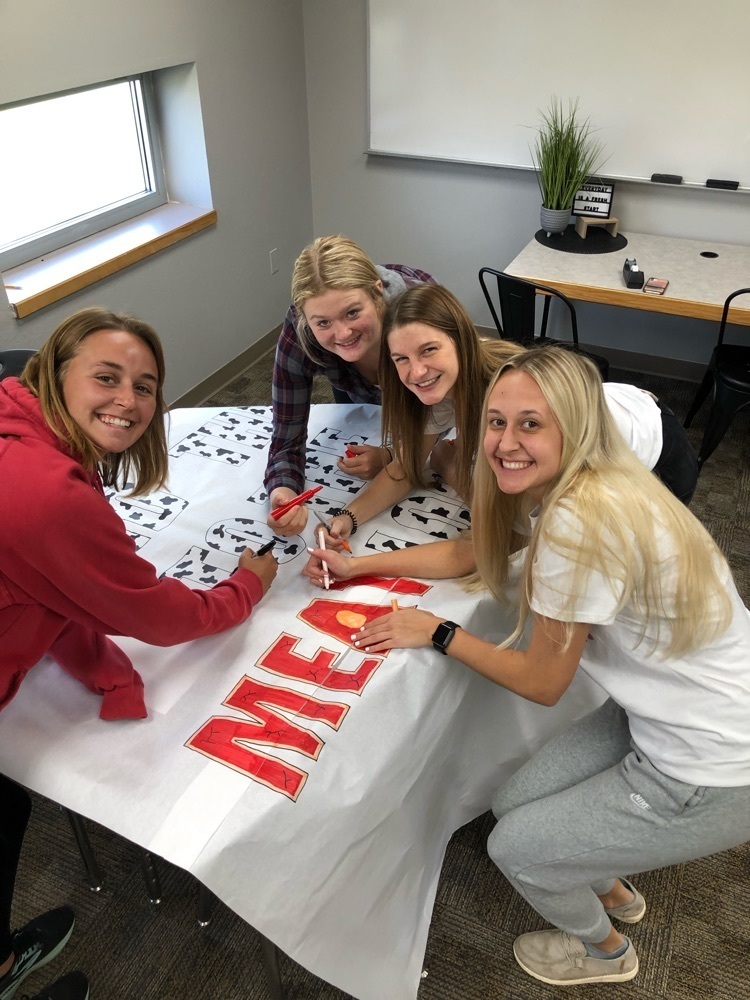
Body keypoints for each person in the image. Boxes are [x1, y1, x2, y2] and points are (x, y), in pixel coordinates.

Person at [321, 346, 750, 987]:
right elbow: (481, 549)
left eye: (531, 424)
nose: (504, 443)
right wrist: (360, 564)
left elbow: (542, 683)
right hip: (672, 712)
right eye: (495, 422)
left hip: (712, 765)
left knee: (513, 849)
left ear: (574, 429)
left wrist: (438, 631)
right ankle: (609, 885)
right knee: (513, 799)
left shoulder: (577, 527)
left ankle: (606, 953)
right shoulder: (605, 480)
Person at [0, 308, 278, 1000]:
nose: (129, 401)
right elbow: (154, 613)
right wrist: (246, 586)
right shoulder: (45, 494)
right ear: (54, 370)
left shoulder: (17, 416)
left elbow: (51, 582)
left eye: (146, 386)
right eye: (107, 377)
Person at [316, 283, 699, 550]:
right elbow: (406, 467)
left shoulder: (512, 387)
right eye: (402, 359)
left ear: (461, 340)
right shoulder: (439, 387)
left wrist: (452, 471)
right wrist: (347, 518)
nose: (416, 372)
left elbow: (518, 529)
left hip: (651, 450)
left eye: (429, 350)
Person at [263, 235, 435, 537]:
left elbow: (439, 423)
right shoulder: (301, 331)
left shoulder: (423, 320)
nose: (342, 333)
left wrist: (390, 455)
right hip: (352, 384)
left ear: (377, 292)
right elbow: (285, 438)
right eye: (323, 323)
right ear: (304, 318)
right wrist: (284, 492)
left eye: (352, 312)